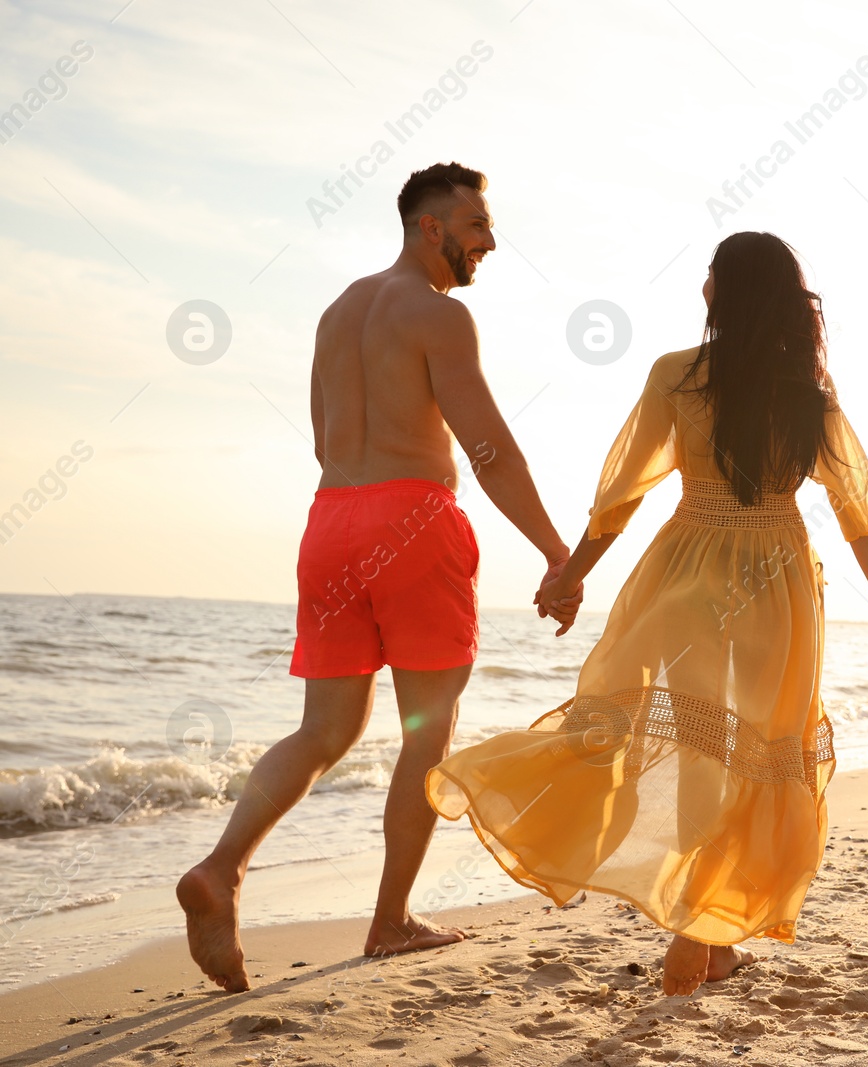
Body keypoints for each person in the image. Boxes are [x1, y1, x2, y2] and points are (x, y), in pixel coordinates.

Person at [425, 231, 868, 997]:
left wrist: (571, 573)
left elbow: (622, 492)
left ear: (728, 290)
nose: (701, 289)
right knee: (760, 750)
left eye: (710, 277)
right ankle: (704, 927)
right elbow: (858, 514)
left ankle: (701, 922)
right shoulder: (808, 395)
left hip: (688, 567)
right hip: (779, 582)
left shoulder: (678, 376)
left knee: (695, 742)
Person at [177, 163, 575, 993]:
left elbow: (326, 442)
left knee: (324, 731)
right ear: (431, 228)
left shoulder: (336, 313)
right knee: (427, 729)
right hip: (413, 521)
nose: (489, 242)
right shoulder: (439, 315)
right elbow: (489, 449)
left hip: (330, 521)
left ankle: (221, 868)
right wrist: (554, 550)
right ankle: (390, 920)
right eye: (476, 226)